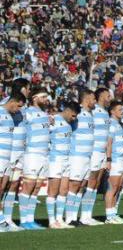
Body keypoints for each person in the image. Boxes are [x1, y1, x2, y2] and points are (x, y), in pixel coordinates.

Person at [20, 88, 51, 229]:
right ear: (34, 98)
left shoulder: (45, 114)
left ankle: (30, 219)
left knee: (37, 187)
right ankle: (23, 220)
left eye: (46, 96)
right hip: (32, 153)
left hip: (44, 155)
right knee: (28, 186)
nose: (46, 99)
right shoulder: (28, 113)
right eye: (43, 96)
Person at [46, 101, 78, 229]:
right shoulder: (53, 120)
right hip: (56, 159)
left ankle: (60, 219)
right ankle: (51, 221)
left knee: (64, 190)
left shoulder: (69, 125)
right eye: (73, 116)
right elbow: (45, 135)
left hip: (67, 159)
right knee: (53, 191)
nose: (74, 119)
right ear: (68, 111)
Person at [65, 89, 95, 226]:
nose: (94, 101)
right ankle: (68, 217)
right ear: (86, 99)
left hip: (87, 156)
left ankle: (74, 217)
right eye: (93, 99)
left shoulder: (90, 114)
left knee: (82, 185)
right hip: (77, 155)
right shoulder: (78, 112)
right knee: (74, 184)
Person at [81, 87, 110, 225]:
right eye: (107, 95)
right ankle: (84, 215)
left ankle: (88, 214)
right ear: (100, 97)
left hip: (102, 152)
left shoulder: (105, 112)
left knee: (96, 183)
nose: (109, 98)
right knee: (90, 182)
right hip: (94, 151)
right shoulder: (93, 111)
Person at [0, 94, 22, 232]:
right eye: (18, 106)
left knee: (2, 188)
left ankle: (3, 221)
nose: (19, 110)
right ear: (12, 102)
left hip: (6, 157)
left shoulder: (8, 115)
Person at [104, 102, 123, 224]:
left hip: (121, 159)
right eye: (119, 109)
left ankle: (112, 214)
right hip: (115, 160)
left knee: (117, 187)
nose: (122, 111)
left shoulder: (118, 124)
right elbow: (109, 142)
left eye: (122, 109)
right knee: (112, 187)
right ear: (112, 111)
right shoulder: (112, 124)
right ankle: (109, 216)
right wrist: (108, 159)